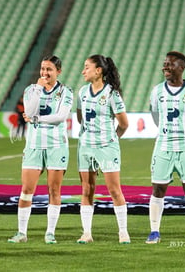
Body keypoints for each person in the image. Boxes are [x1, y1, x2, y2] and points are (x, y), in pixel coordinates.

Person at [8, 55, 73, 244]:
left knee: (54, 190)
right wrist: (38, 89)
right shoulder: (31, 89)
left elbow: (60, 117)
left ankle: (50, 232)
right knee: (27, 189)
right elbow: (29, 111)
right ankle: (22, 233)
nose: (44, 73)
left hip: (56, 145)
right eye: (43, 69)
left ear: (58, 71)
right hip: (34, 145)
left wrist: (36, 119)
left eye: (49, 69)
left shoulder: (66, 92)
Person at [146, 51, 185, 245]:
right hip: (163, 145)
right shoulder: (157, 91)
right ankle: (154, 231)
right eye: (165, 63)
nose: (165, 67)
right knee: (158, 189)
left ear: (181, 67)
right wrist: (164, 131)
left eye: (170, 64)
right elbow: (155, 114)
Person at [76, 54, 130, 244]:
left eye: (87, 67)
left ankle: (123, 232)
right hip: (85, 147)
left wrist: (110, 140)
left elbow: (124, 124)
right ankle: (87, 233)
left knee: (114, 190)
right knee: (86, 189)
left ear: (98, 71)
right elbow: (80, 118)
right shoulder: (82, 92)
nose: (83, 71)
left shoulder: (111, 94)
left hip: (107, 147)